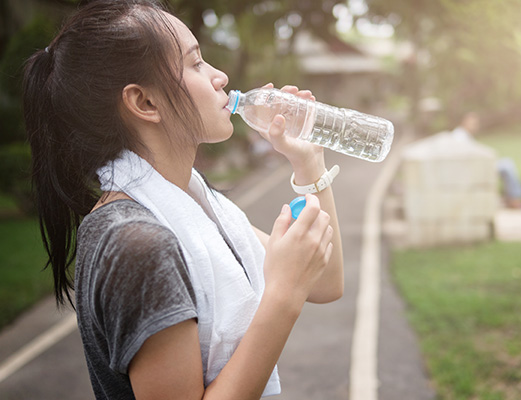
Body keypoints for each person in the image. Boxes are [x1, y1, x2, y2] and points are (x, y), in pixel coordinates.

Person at [22, 1, 344, 399]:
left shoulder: (194, 201)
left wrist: (308, 163)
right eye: (195, 64)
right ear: (145, 103)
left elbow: (326, 283)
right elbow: (299, 286)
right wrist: (282, 295)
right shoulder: (136, 243)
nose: (220, 76)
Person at [451, 112, 521, 209]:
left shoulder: (464, 135)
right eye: (472, 123)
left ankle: (513, 198)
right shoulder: (460, 136)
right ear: (463, 122)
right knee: (507, 166)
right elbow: (467, 156)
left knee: (506, 163)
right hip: (472, 169)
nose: (475, 126)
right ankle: (514, 200)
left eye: (476, 123)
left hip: (476, 166)